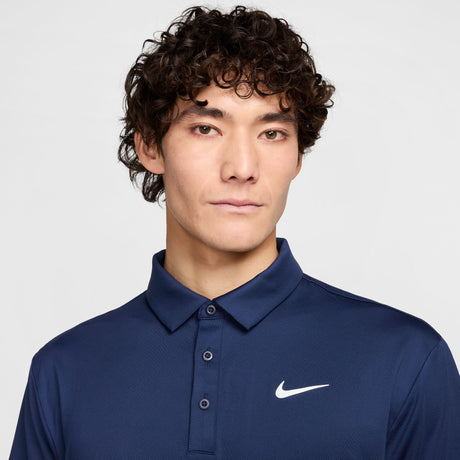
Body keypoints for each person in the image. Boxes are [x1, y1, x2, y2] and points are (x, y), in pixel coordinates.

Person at [10, 5, 460, 459]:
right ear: (149, 146)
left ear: (298, 157)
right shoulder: (64, 371)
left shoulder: (407, 360)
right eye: (206, 128)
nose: (242, 168)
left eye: (272, 134)